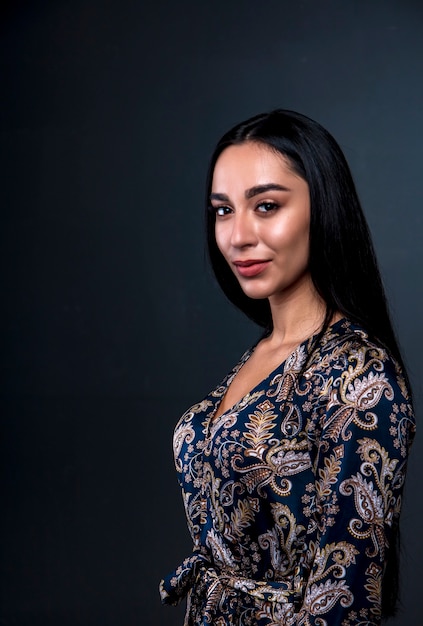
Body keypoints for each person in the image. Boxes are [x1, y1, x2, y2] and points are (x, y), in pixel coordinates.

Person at [159, 110, 416, 625]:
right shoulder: (262, 352)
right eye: (222, 211)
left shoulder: (357, 375)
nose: (237, 236)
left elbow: (343, 601)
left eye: (267, 206)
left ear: (323, 208)